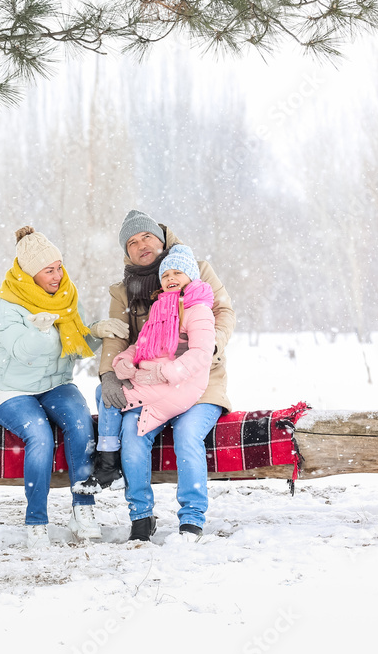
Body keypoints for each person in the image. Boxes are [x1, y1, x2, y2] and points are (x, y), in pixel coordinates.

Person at [0, 226, 129, 549]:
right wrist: (40, 329)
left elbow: (74, 343)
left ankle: (83, 510)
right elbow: (23, 351)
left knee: (80, 425)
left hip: (55, 384)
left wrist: (96, 331)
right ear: (30, 273)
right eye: (49, 270)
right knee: (40, 434)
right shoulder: (7, 306)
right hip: (11, 390)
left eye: (59, 266)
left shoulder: (65, 297)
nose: (57, 275)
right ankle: (36, 520)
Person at [98, 211, 235, 543]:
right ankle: (141, 518)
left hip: (200, 383)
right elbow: (118, 335)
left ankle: (191, 519)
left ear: (160, 238)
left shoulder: (196, 269)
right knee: (132, 432)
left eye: (146, 237)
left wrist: (201, 350)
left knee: (188, 434)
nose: (141, 245)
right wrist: (109, 375)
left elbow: (224, 312)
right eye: (132, 243)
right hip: (153, 383)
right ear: (126, 252)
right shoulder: (124, 291)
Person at [74, 245, 214, 494]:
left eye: (177, 273)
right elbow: (142, 345)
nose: (171, 278)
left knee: (105, 396)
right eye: (166, 275)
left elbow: (201, 354)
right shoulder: (161, 308)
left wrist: (165, 373)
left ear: (191, 276)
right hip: (153, 380)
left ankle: (108, 464)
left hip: (178, 385)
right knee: (107, 394)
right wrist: (124, 361)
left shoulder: (198, 310)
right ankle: (112, 468)